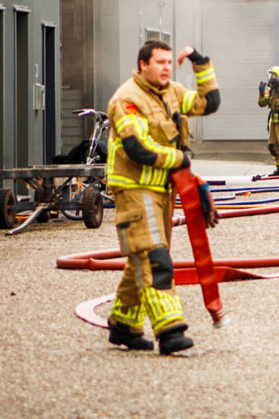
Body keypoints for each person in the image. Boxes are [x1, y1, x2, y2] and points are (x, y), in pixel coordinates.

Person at [105, 40, 220, 355]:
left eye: (170, 62)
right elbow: (137, 148)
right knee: (155, 259)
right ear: (143, 64)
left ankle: (124, 325)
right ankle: (170, 331)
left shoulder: (172, 92)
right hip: (134, 188)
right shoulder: (127, 99)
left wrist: (200, 62)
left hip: (161, 189)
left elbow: (208, 103)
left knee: (141, 256)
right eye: (160, 62)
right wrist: (179, 161)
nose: (166, 67)